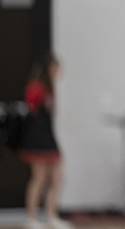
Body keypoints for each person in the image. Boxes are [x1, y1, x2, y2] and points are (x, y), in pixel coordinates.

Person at [18, 56, 71, 229]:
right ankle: (31, 218)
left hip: (49, 137)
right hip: (36, 138)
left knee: (57, 177)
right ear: (49, 69)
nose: (59, 73)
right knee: (39, 178)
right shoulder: (36, 88)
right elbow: (31, 113)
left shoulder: (50, 89)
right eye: (56, 69)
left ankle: (51, 215)